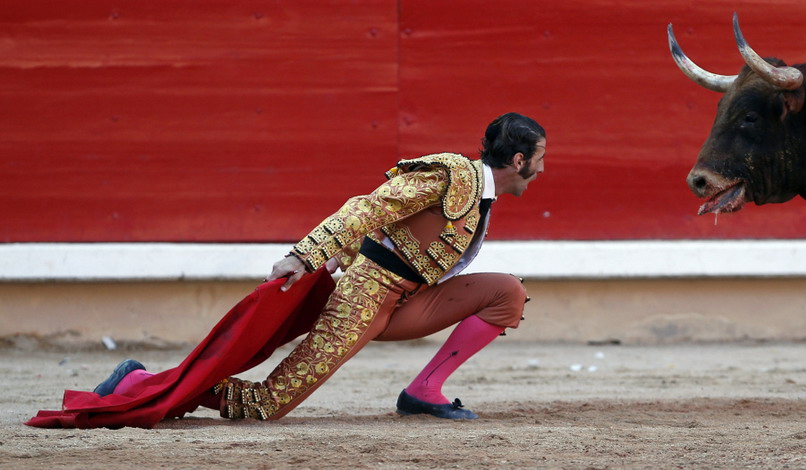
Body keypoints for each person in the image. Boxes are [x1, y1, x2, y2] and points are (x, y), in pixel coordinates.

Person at [80, 111, 546, 423]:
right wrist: (306, 255)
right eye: (540, 160)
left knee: (507, 293)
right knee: (266, 405)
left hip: (412, 297)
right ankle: (140, 380)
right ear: (519, 160)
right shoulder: (451, 176)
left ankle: (424, 391)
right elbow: (367, 209)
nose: (543, 170)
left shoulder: (480, 194)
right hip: (364, 297)